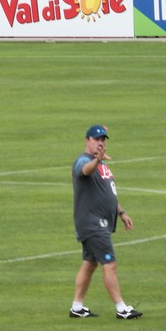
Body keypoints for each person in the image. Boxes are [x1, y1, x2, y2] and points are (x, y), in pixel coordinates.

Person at [69, 125, 141, 320]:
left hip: (98, 222)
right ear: (87, 140)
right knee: (110, 263)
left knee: (90, 263)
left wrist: (121, 212)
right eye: (96, 139)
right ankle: (121, 308)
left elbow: (107, 193)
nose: (100, 143)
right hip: (93, 223)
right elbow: (84, 171)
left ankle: (77, 306)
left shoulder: (100, 164)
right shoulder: (84, 161)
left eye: (103, 139)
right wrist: (97, 160)